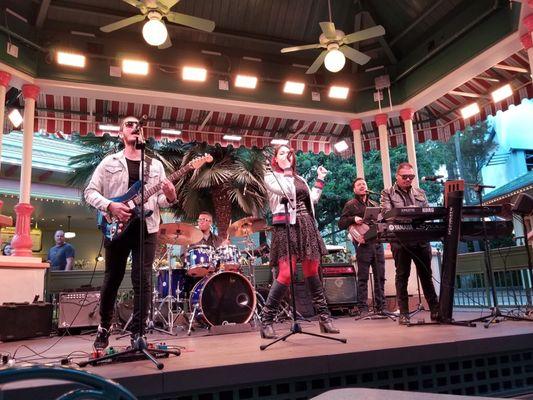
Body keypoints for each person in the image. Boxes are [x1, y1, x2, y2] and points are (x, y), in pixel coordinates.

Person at [84, 115, 177, 349]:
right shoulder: (109, 162)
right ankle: (104, 327)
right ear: (121, 133)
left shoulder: (155, 165)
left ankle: (139, 332)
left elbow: (162, 201)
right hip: (116, 225)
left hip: (146, 227)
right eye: (129, 124)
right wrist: (110, 205)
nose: (135, 127)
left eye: (137, 125)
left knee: (143, 280)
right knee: (112, 278)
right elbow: (90, 192)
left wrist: (172, 196)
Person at [260, 145, 339, 338]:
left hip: (306, 226)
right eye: (281, 153)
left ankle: (324, 318)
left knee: (312, 272)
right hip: (286, 227)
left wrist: (320, 180)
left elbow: (311, 199)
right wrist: (286, 169)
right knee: (286, 273)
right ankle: (266, 320)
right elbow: (287, 192)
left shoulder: (300, 178)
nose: (286, 155)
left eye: (289, 153)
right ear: (275, 159)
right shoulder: (271, 177)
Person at [380, 162, 440, 325]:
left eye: (411, 177)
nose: (408, 179)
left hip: (421, 238)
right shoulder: (387, 193)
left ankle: (435, 309)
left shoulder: (420, 192)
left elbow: (427, 213)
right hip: (401, 240)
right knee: (402, 276)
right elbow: (386, 214)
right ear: (397, 176)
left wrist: (416, 213)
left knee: (426, 276)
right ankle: (404, 312)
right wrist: (411, 213)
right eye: (404, 177)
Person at [338, 178, 385, 315]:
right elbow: (341, 223)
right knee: (363, 277)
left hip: (377, 243)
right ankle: (363, 307)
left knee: (380, 276)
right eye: (359, 184)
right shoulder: (351, 205)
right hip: (363, 245)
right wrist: (353, 219)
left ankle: (381, 306)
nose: (362, 186)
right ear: (354, 189)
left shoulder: (374, 203)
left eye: (364, 184)